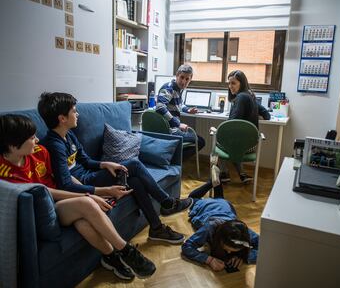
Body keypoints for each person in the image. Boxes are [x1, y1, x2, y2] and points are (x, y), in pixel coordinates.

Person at [0, 114, 156, 280]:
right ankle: (126, 251)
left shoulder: (39, 152)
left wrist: (85, 190)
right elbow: (46, 192)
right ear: (12, 145)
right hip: (45, 210)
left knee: (82, 221)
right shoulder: (6, 174)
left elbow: (64, 178)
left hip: (63, 201)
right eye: (31, 138)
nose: (37, 140)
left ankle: (112, 257)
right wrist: (89, 194)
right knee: (86, 203)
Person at [38, 92, 193, 245]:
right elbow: (66, 184)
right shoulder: (53, 146)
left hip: (90, 174)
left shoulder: (68, 135)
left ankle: (156, 228)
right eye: (73, 111)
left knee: (134, 180)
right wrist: (102, 190)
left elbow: (85, 160)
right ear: (62, 118)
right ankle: (167, 203)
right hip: (83, 182)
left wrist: (106, 164)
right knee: (134, 164)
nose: (77, 114)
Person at [181, 188, 259, 272]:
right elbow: (187, 246)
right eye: (227, 249)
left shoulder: (243, 232)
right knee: (193, 197)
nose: (229, 253)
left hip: (224, 204)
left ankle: (217, 183)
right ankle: (212, 183)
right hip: (203, 205)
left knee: (219, 197)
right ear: (220, 237)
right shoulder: (209, 228)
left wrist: (244, 256)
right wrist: (209, 260)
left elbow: (265, 247)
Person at [219, 70, 270, 184]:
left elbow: (231, 124)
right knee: (235, 139)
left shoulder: (241, 97)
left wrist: (220, 131)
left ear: (241, 83)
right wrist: (253, 114)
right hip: (251, 145)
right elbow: (267, 115)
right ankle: (242, 174)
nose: (230, 86)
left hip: (243, 146)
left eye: (233, 83)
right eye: (229, 83)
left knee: (219, 138)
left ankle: (224, 174)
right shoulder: (250, 95)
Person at [156, 64, 205, 160]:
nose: (184, 81)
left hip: (172, 129)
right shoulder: (169, 88)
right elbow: (160, 107)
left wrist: (188, 110)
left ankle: (172, 158)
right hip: (170, 131)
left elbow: (179, 104)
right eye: (182, 77)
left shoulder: (178, 89)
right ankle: (174, 160)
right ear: (177, 75)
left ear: (190, 80)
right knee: (200, 141)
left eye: (187, 79)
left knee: (198, 140)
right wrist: (178, 124)